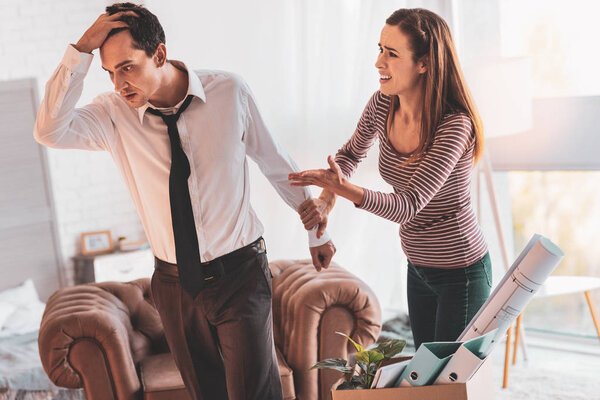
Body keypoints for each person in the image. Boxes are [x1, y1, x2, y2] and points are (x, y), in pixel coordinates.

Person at [34, 3, 335, 399]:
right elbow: (49, 130)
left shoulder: (229, 91)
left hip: (240, 274)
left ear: (159, 54)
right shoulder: (112, 115)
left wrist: (315, 232)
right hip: (174, 287)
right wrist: (81, 51)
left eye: (127, 67)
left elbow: (276, 163)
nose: (118, 84)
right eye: (110, 72)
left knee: (256, 393)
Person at [289, 8, 491, 349]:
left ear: (424, 63)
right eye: (380, 49)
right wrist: (326, 200)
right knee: (424, 372)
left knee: (448, 380)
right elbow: (350, 154)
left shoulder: (455, 126)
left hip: (462, 274)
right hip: (417, 266)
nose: (379, 63)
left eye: (392, 54)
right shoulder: (383, 104)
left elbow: (407, 206)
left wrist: (344, 188)